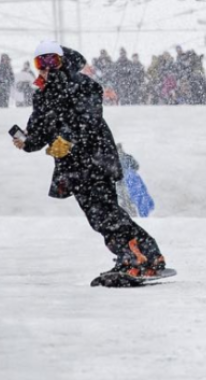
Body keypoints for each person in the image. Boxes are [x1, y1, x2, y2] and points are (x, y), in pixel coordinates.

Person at [13, 41, 167, 279]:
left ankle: (143, 255)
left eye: (51, 60)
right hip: (71, 168)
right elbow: (39, 133)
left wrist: (68, 139)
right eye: (39, 62)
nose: (45, 67)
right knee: (98, 218)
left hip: (95, 160)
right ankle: (133, 255)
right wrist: (27, 142)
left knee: (107, 213)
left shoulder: (83, 85)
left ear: (62, 60)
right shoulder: (42, 95)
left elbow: (89, 119)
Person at [115, 144, 139, 217]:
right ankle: (132, 214)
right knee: (128, 198)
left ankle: (125, 215)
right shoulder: (128, 157)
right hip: (127, 181)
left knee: (121, 199)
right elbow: (136, 166)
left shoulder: (113, 158)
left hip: (118, 182)